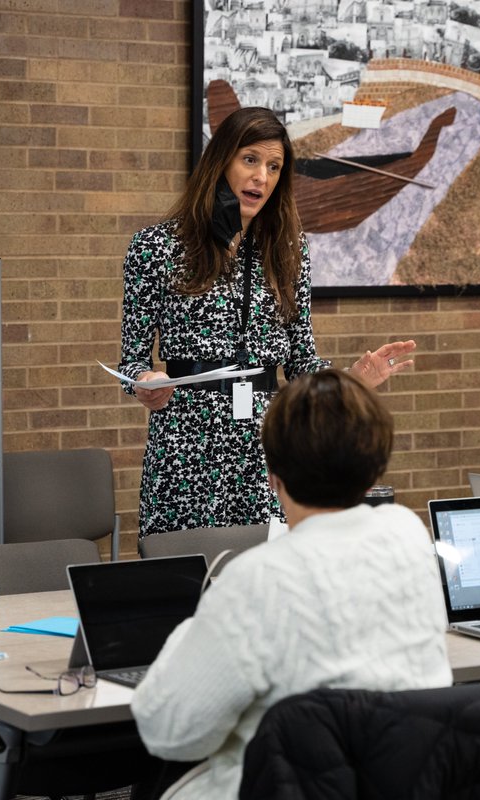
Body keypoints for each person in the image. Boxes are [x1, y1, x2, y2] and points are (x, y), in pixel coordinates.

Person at [130, 369, 452, 800]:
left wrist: (198, 623)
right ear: (376, 468)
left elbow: (169, 732)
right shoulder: (409, 535)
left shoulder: (255, 578)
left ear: (272, 476)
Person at [117, 106, 416, 537]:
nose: (261, 176)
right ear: (222, 161)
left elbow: (301, 362)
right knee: (186, 570)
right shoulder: (155, 247)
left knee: (270, 567)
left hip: (268, 446)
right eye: (250, 160)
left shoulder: (289, 249)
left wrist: (351, 380)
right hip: (184, 445)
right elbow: (131, 360)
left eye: (274, 167)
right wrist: (144, 382)